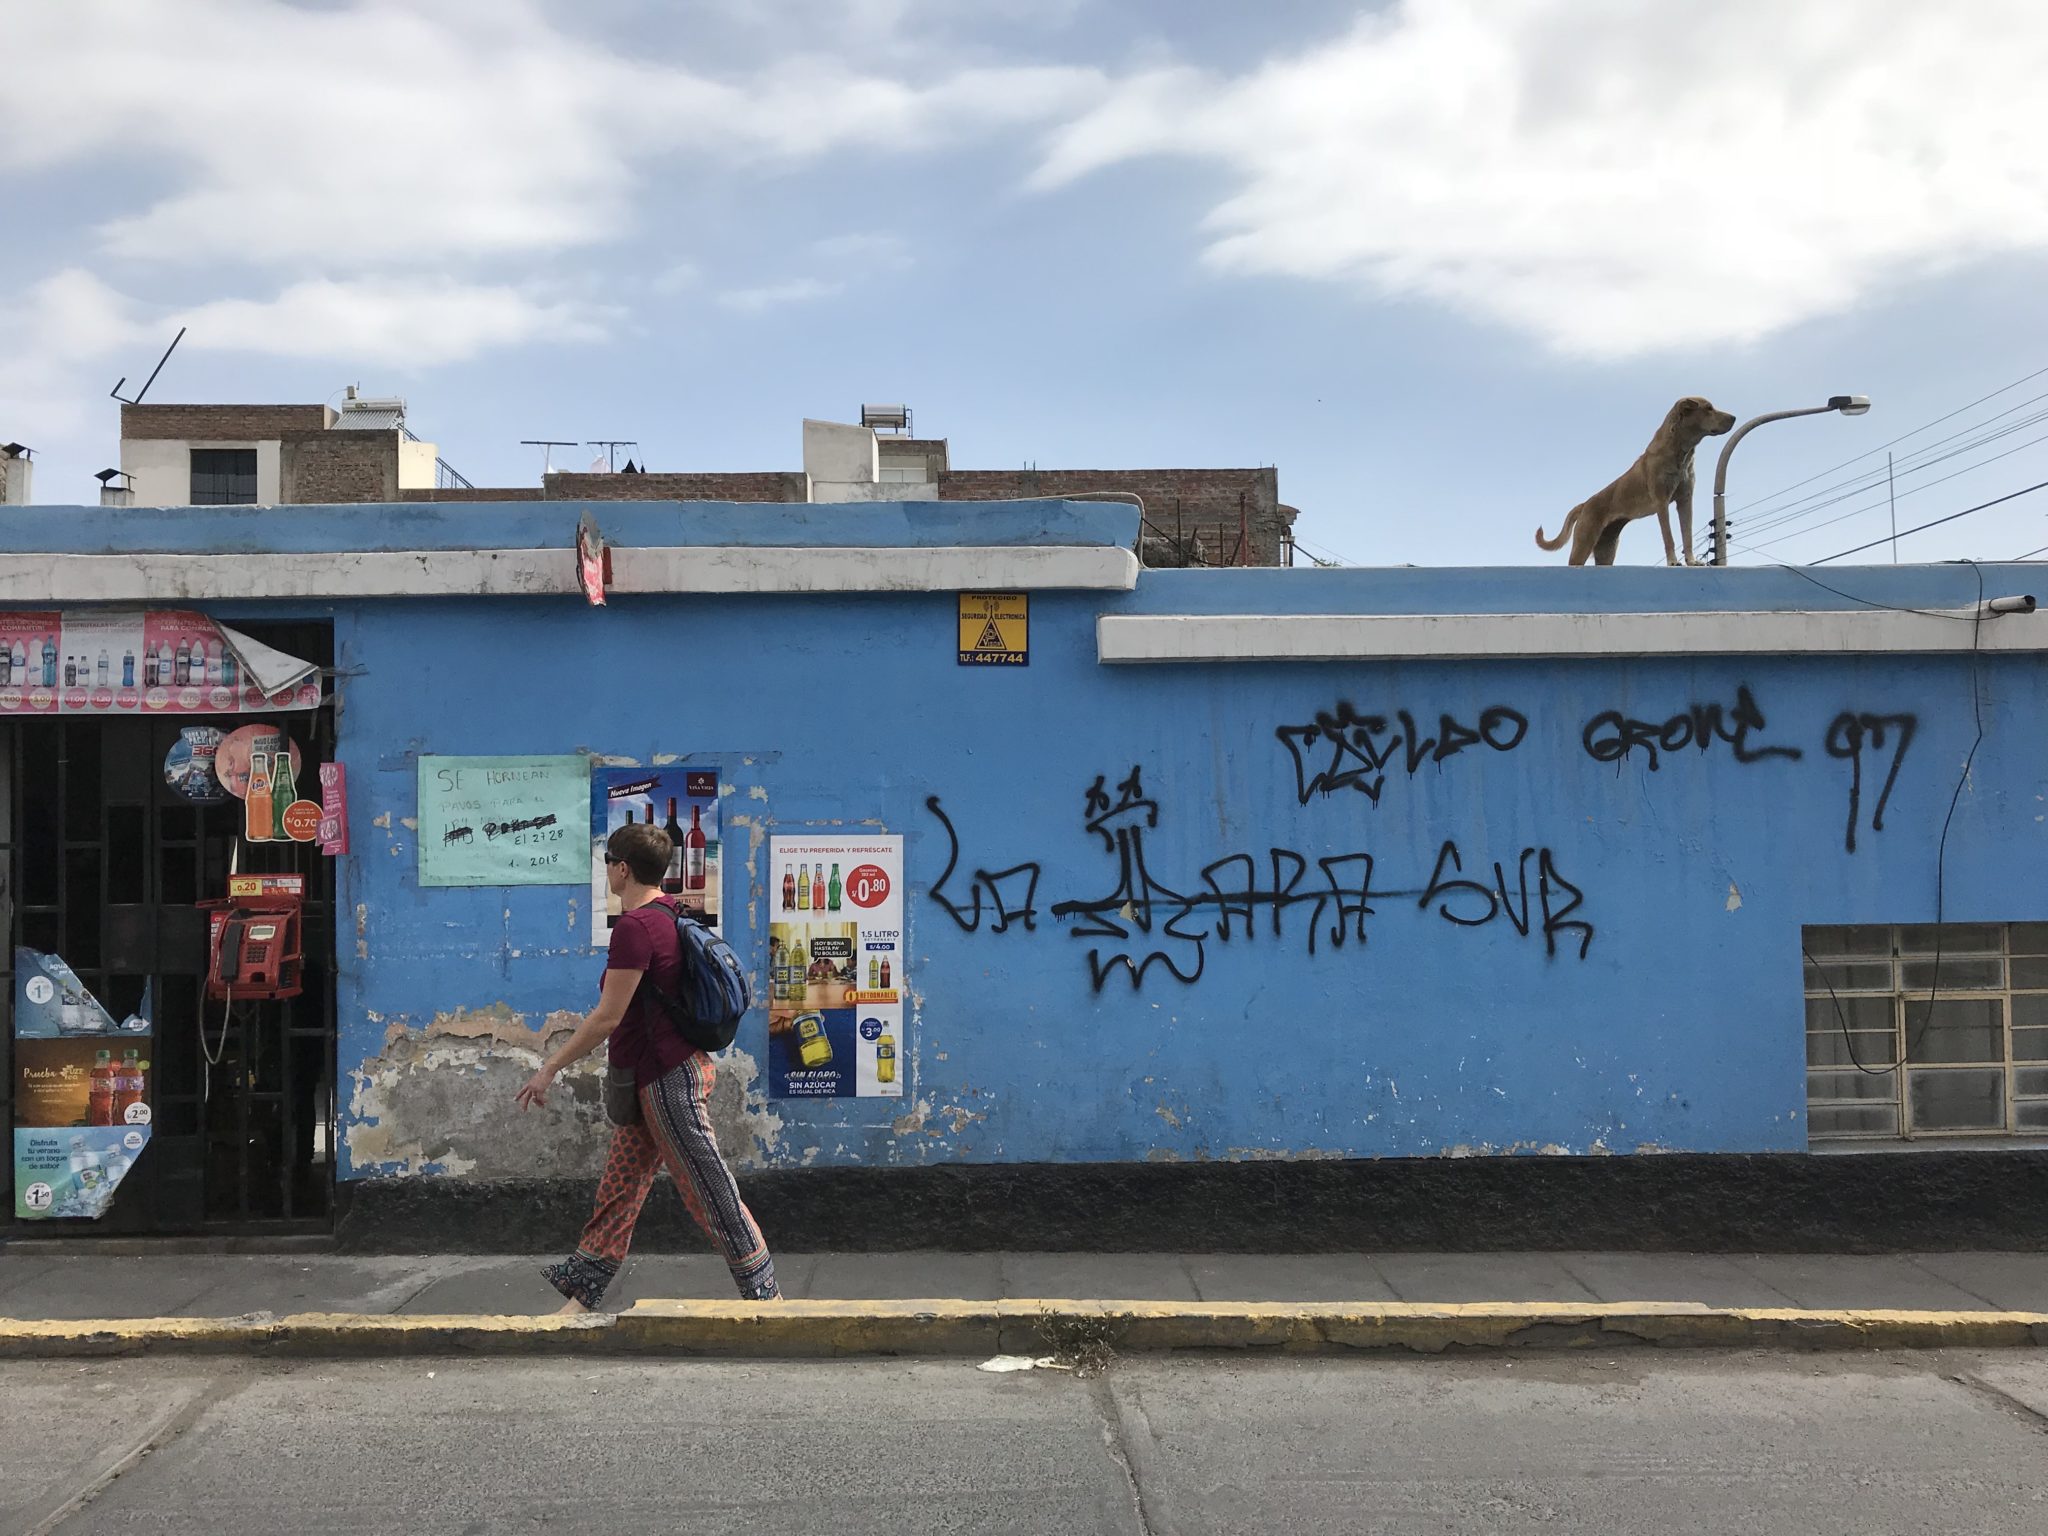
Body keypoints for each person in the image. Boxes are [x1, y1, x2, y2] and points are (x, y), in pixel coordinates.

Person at [517, 820, 779, 1310]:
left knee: (710, 1192)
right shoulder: (669, 915)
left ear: (622, 870)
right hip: (651, 1079)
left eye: (608, 865)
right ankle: (577, 1302)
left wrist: (549, 1067)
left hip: (667, 1081)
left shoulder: (637, 928)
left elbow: (606, 1017)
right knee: (619, 1190)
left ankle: (769, 1300)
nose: (607, 874)